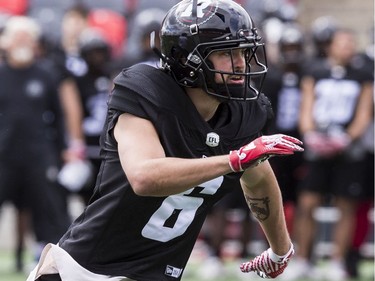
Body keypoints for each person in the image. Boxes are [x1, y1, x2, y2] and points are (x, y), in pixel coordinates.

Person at [27, 1, 304, 280]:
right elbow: (144, 177)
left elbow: (258, 179)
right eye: (225, 53)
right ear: (186, 58)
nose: (241, 63)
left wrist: (280, 250)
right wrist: (233, 161)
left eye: (244, 51)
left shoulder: (242, 114)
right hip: (87, 271)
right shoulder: (146, 93)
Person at [281, 27, 373, 281]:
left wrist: (346, 137)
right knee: (307, 203)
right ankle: (302, 258)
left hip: (348, 147)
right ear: (330, 46)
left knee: (346, 204)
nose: (347, 47)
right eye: (342, 42)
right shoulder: (314, 70)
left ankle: (337, 261)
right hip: (317, 144)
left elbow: (365, 111)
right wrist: (310, 134)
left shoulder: (363, 73)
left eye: (351, 43)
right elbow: (306, 105)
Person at [0, 15, 71, 267]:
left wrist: (63, 150)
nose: (22, 42)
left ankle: (50, 260)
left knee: (48, 210)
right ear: (5, 42)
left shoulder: (45, 75)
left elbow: (58, 117)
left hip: (38, 155)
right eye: (17, 36)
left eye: (27, 37)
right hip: (4, 156)